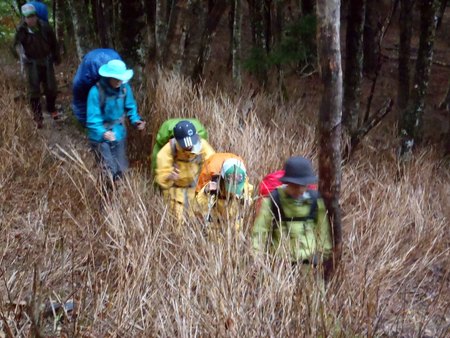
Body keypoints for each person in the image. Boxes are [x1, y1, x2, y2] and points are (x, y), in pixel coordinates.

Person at [251, 156, 332, 271]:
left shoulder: (315, 201)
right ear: (287, 182)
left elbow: (323, 229)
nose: (299, 190)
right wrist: (257, 256)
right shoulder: (273, 200)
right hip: (280, 262)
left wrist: (324, 255)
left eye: (302, 186)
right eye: (295, 185)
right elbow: (260, 230)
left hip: (309, 261)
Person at [86, 59, 145, 183]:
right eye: (116, 78)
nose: (119, 81)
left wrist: (136, 120)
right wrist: (103, 132)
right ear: (109, 76)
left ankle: (118, 197)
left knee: (121, 168)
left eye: (121, 78)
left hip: (119, 133)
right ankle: (106, 198)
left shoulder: (124, 88)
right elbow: (92, 119)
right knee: (108, 171)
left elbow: (130, 107)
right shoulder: (95, 92)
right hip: (100, 137)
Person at [155, 120, 215, 221]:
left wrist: (211, 181)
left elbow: (212, 163)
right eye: (186, 144)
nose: (190, 146)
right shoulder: (168, 150)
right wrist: (169, 176)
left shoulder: (202, 145)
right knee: (177, 221)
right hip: (175, 191)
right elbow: (161, 176)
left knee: (202, 219)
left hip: (196, 190)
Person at [13, 3, 61, 129]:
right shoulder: (21, 30)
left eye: (33, 16)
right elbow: (15, 46)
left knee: (51, 87)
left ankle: (51, 109)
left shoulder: (45, 27)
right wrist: (21, 56)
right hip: (32, 63)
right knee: (33, 91)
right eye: (28, 17)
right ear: (24, 18)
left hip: (46, 60)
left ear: (36, 16)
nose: (31, 19)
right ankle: (38, 117)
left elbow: (54, 43)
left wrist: (57, 57)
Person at [195, 156, 253, 236]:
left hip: (235, 228)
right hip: (215, 228)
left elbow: (249, 203)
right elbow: (198, 206)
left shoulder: (244, 187)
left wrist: (245, 200)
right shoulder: (213, 187)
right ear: (223, 178)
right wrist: (205, 193)